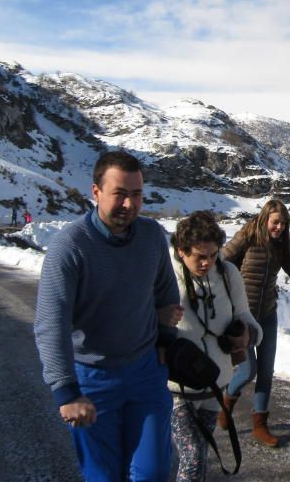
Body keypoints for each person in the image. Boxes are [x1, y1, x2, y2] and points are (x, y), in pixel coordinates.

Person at [34, 151, 183, 482]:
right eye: (120, 194)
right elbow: (51, 323)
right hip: (92, 378)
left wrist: (165, 340)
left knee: (154, 472)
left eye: (137, 194)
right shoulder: (70, 246)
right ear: (96, 192)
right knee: (104, 475)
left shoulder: (152, 236)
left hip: (145, 372)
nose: (129, 205)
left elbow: (167, 293)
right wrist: (66, 391)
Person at [169, 210, 260, 482]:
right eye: (200, 256)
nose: (208, 262)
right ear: (182, 250)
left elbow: (246, 316)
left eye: (213, 254)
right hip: (176, 388)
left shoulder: (228, 273)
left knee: (201, 453)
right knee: (193, 454)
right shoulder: (163, 274)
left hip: (215, 384)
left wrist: (247, 334)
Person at [219, 199, 290, 446]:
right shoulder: (247, 235)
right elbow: (221, 262)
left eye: (283, 224)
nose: (279, 228)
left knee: (266, 372)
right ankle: (226, 402)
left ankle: (260, 425)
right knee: (248, 370)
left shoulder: (281, 246)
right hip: (243, 317)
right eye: (275, 222)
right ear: (265, 218)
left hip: (267, 313)